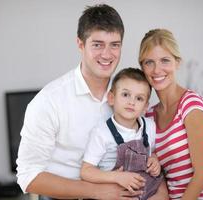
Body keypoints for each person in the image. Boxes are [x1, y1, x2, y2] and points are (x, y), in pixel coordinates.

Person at [16, 4, 144, 199]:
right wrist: (99, 192)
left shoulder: (128, 96)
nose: (107, 54)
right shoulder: (48, 101)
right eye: (97, 44)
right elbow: (28, 176)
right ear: (80, 44)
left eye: (114, 45)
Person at [139, 28, 203, 199]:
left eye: (165, 60)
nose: (157, 70)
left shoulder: (191, 105)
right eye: (149, 62)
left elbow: (202, 175)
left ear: (177, 62)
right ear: (142, 67)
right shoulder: (148, 116)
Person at [80, 67, 167, 200]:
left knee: (163, 192)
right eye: (125, 95)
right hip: (116, 190)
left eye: (139, 98)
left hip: (144, 186)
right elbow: (86, 171)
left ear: (145, 107)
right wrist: (117, 177)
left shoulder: (149, 126)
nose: (131, 102)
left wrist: (154, 160)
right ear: (111, 98)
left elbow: (153, 151)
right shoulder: (102, 133)